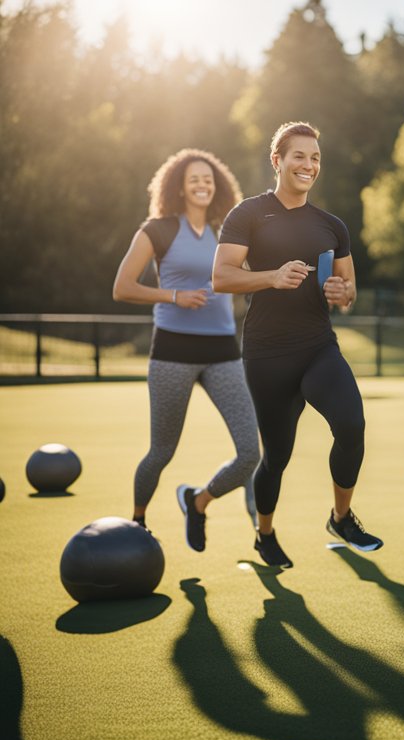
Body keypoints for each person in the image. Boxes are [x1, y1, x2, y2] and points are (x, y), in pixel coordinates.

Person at [212, 121, 383, 569]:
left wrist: (342, 293)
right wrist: (271, 277)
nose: (309, 165)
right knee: (277, 456)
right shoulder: (248, 214)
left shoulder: (332, 226)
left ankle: (341, 518)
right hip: (267, 354)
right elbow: (221, 277)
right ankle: (264, 534)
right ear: (278, 160)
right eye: (299, 156)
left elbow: (349, 289)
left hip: (317, 346)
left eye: (315, 158)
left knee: (351, 424)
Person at [112, 148, 259, 549]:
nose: (202, 184)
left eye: (208, 179)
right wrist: (174, 296)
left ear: (218, 186)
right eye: (194, 179)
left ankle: (202, 503)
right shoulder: (157, 230)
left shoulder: (227, 231)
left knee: (250, 452)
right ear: (179, 187)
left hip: (223, 352)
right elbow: (122, 287)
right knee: (162, 451)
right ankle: (138, 523)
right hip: (172, 352)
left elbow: (250, 276)